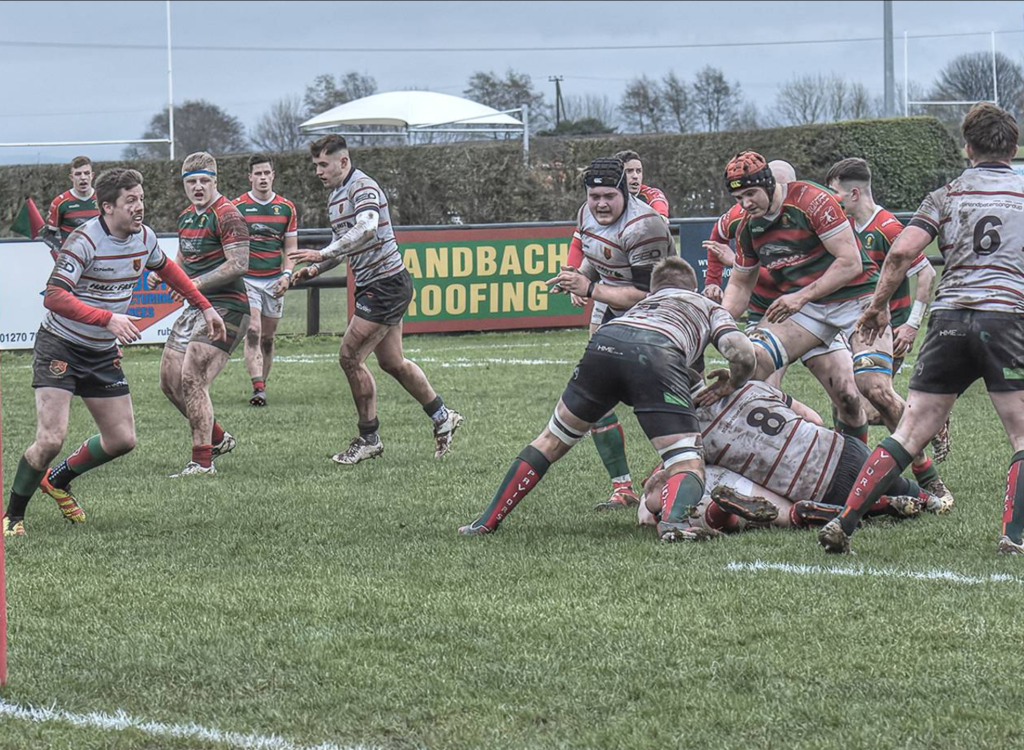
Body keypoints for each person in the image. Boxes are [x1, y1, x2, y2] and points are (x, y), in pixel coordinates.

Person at [818, 103, 1024, 555]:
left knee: (909, 431)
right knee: (1021, 434)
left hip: (949, 319)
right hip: (1005, 318)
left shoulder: (946, 195)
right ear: (1013, 146)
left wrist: (876, 308)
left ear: (967, 148)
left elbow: (900, 254)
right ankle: (1012, 535)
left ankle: (845, 522)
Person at [458, 256, 756, 543]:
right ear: (691, 288)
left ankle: (485, 521)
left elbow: (682, 368)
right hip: (657, 354)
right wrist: (733, 381)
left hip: (606, 343)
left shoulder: (644, 304)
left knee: (549, 440)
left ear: (655, 289)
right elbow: (741, 352)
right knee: (686, 461)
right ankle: (675, 524)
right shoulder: (704, 304)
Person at [2, 168, 220, 537]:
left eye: (141, 199)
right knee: (51, 439)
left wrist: (204, 305)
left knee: (122, 440)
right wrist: (107, 319)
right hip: (61, 347)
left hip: (101, 353)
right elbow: (54, 296)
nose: (140, 208)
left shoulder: (144, 238)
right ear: (107, 207)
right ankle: (12, 516)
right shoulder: (84, 240)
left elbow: (167, 268)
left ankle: (57, 480)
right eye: (130, 201)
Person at [288, 135, 463, 464]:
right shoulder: (335, 195)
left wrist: (322, 252)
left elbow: (367, 227)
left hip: (385, 286)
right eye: (315, 166)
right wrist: (315, 267)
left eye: (323, 164)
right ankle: (443, 417)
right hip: (377, 285)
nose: (318, 172)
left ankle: (369, 438)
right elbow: (344, 245)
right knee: (392, 362)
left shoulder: (362, 187)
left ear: (343, 161)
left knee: (349, 356)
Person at [637, 379, 946, 540]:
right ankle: (920, 496)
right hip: (843, 448)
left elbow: (677, 479)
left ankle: (887, 505)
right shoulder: (750, 385)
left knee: (696, 483)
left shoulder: (693, 434)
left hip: (817, 487)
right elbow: (812, 416)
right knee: (889, 483)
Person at [717, 155, 874, 447]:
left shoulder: (812, 201)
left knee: (854, 396)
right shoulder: (746, 226)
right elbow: (739, 284)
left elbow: (851, 263)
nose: (746, 203)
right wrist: (717, 324)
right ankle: (787, 456)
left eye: (750, 193)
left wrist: (801, 297)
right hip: (796, 312)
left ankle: (910, 470)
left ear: (769, 183)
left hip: (839, 300)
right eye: (739, 197)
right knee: (754, 373)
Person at [547, 157, 676, 511]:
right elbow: (596, 254)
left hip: (660, 315)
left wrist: (588, 287)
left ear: (623, 192)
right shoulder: (585, 213)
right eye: (594, 196)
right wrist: (576, 276)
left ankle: (682, 474)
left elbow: (642, 294)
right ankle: (623, 488)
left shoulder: (643, 224)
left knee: (678, 401)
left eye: (608, 196)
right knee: (594, 397)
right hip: (613, 308)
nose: (600, 203)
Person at [825, 157, 951, 464]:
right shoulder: (845, 228)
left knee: (868, 401)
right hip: (857, 328)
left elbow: (926, 274)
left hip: (887, 330)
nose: (830, 200)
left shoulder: (887, 227)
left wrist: (911, 325)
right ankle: (856, 463)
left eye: (834, 193)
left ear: (854, 194)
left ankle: (927, 428)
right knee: (850, 402)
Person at [149, 152, 250, 478]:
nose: (198, 187)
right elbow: (181, 256)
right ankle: (217, 439)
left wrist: (193, 283)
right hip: (197, 306)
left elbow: (239, 264)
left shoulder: (227, 215)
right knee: (169, 382)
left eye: (204, 180)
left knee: (192, 377)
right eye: (191, 181)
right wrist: (166, 274)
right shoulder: (186, 217)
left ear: (215, 181)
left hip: (228, 307)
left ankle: (202, 462)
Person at [232, 153, 298, 407]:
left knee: (268, 339)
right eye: (257, 173)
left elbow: (291, 248)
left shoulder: (286, 208)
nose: (262, 178)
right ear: (250, 177)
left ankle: (262, 386)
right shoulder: (237, 207)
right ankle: (257, 386)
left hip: (274, 281)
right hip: (247, 280)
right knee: (253, 329)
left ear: (273, 175)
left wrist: (287, 274)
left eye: (266, 173)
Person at [41, 155, 98, 258]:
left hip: (99, 258)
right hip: (73, 259)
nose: (83, 177)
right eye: (78, 174)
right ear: (71, 177)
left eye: (86, 173)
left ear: (92, 175)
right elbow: (48, 235)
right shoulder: (60, 202)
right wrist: (62, 251)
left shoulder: (104, 199)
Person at [614, 149, 670, 222]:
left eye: (638, 171)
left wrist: (661, 215)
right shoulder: (607, 193)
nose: (635, 176)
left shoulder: (650, 193)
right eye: (629, 171)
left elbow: (658, 201)